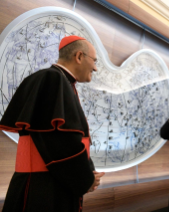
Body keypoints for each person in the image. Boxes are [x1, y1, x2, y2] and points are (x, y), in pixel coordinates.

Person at [0, 35, 105, 212]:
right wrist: (85, 178)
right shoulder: (52, 79)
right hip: (44, 190)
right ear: (79, 57)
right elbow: (60, 143)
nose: (95, 68)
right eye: (94, 61)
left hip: (53, 182)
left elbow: (72, 139)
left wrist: (88, 171)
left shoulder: (59, 81)